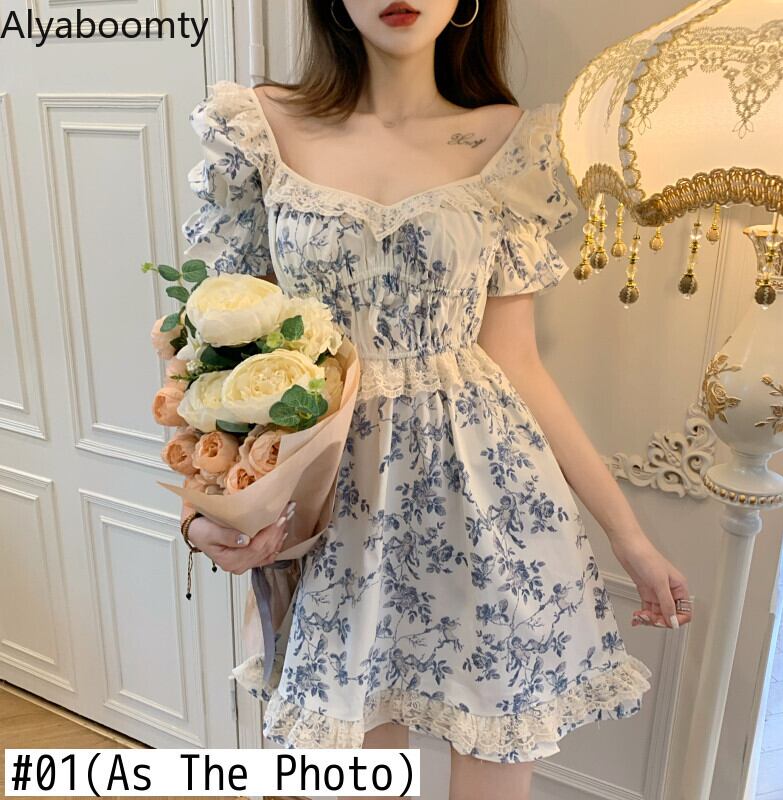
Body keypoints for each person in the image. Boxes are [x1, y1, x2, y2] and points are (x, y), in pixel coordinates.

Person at [179, 1, 693, 798]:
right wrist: (205, 508)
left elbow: (517, 363)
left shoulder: (509, 142)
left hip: (489, 507)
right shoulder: (261, 130)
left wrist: (631, 541)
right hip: (332, 510)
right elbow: (226, 356)